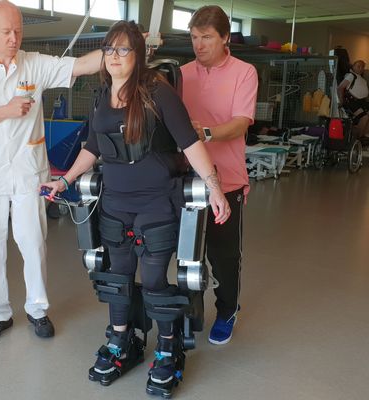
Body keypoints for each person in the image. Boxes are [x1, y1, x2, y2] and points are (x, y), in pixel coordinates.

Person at [41, 20, 230, 394]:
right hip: (115, 203)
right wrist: (64, 180)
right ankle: (121, 341)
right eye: (109, 49)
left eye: (123, 50)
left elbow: (190, 143)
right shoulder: (100, 98)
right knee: (118, 278)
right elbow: (92, 147)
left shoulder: (157, 93)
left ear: (138, 55)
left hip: (157, 202)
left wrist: (215, 189)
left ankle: (167, 348)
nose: (114, 57)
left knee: (157, 281)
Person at [0, 0, 102, 342]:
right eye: (6, 32)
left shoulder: (34, 64)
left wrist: (123, 48)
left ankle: (37, 309)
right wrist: (5, 110)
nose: (13, 38)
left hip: (29, 173)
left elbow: (80, 66)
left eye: (18, 30)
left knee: (33, 242)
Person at [180, 5, 258, 345]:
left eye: (207, 38)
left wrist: (206, 132)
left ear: (225, 38)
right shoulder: (180, 74)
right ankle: (190, 314)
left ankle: (227, 310)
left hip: (227, 180)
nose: (199, 45)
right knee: (186, 253)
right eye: (194, 38)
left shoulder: (244, 72)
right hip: (186, 179)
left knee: (223, 256)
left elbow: (242, 122)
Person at [337, 59, 369, 138]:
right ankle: (357, 138)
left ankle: (364, 135)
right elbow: (340, 88)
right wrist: (341, 100)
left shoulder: (362, 79)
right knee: (364, 118)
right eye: (358, 66)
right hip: (352, 101)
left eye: (362, 67)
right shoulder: (351, 75)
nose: (360, 68)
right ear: (353, 66)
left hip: (362, 102)